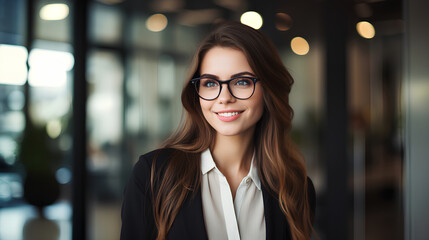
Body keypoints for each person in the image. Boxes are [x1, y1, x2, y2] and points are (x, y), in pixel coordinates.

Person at [121, 21, 316, 240]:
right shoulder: (152, 175)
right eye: (211, 83)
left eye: (242, 81)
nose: (224, 98)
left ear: (268, 89)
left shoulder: (295, 189)